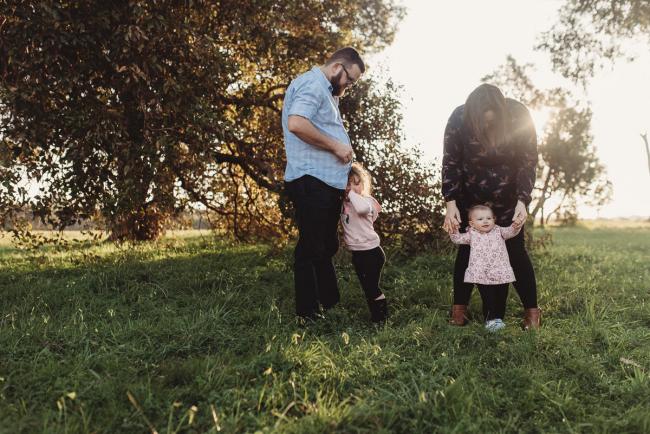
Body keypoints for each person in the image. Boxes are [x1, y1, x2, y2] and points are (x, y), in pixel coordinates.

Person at [442, 83, 541, 329]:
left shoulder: (518, 115)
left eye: (492, 122)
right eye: (483, 122)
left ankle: (532, 314)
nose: (488, 126)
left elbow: (528, 161)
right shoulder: (459, 117)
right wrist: (450, 203)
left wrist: (522, 200)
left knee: (516, 252)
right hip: (470, 200)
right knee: (466, 252)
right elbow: (451, 161)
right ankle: (458, 313)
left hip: (508, 199)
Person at [282, 47, 365, 321]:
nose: (349, 86)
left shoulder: (326, 92)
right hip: (310, 179)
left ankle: (328, 303)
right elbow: (296, 124)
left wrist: (345, 169)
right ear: (337, 67)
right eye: (349, 80)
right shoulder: (312, 85)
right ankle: (307, 313)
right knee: (311, 246)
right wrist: (336, 147)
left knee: (326, 245)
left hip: (324, 180)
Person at [450, 204, 521, 331]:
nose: (485, 221)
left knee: (501, 297)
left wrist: (516, 226)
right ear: (472, 223)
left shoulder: (499, 231)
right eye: (480, 219)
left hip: (501, 272)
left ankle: (499, 319)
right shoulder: (471, 234)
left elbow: (511, 232)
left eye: (489, 218)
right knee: (488, 298)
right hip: (482, 274)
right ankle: (490, 320)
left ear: (494, 220)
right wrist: (453, 229)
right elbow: (457, 239)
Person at [341, 163, 389, 323]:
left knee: (372, 287)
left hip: (372, 253)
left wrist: (352, 193)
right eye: (348, 184)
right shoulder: (344, 205)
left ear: (363, 185)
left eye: (356, 183)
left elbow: (361, 210)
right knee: (367, 287)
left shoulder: (366, 200)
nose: (352, 188)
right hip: (358, 254)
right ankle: (376, 316)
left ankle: (382, 318)